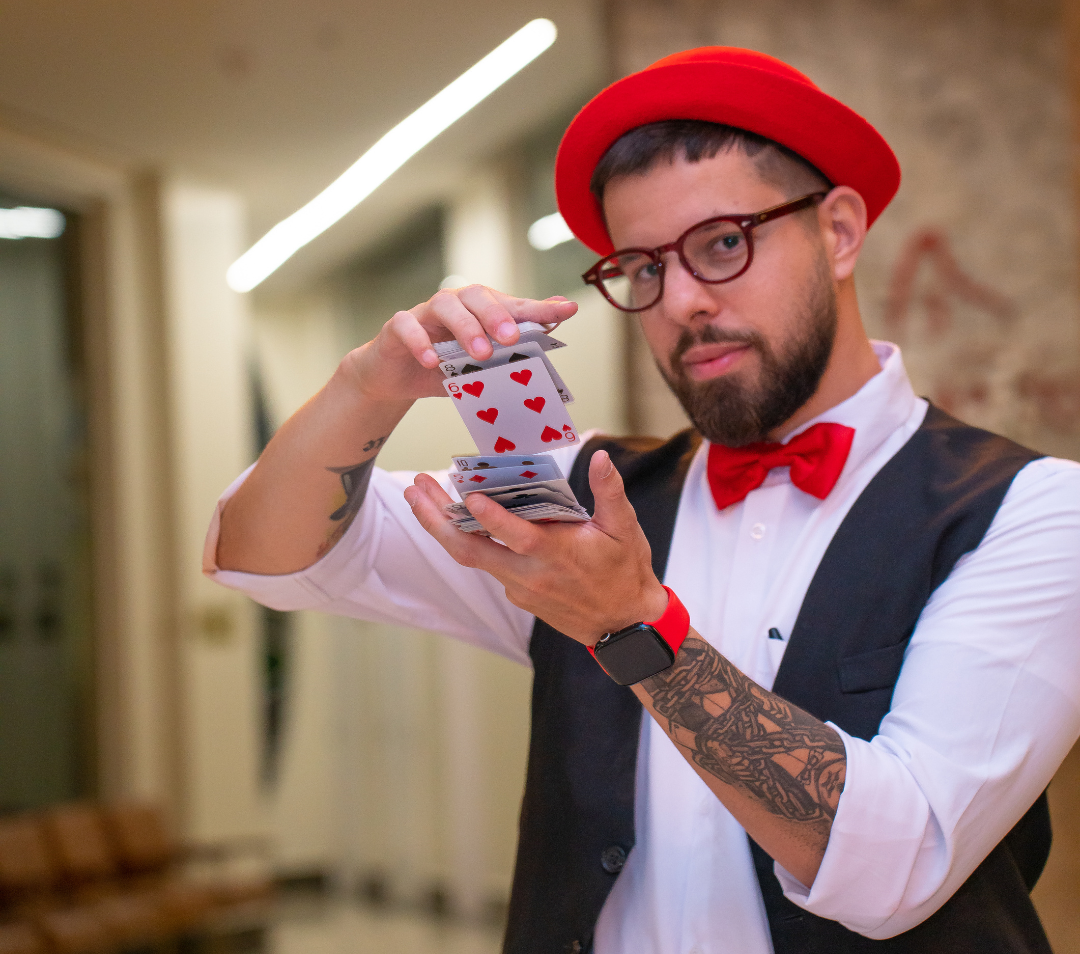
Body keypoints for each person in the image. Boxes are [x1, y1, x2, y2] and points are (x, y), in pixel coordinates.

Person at [205, 47, 1080, 954]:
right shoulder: (577, 504)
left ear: (839, 231)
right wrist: (370, 383)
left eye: (724, 243)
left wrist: (632, 627)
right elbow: (268, 555)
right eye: (643, 267)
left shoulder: (1032, 512)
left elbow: (899, 867)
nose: (681, 302)